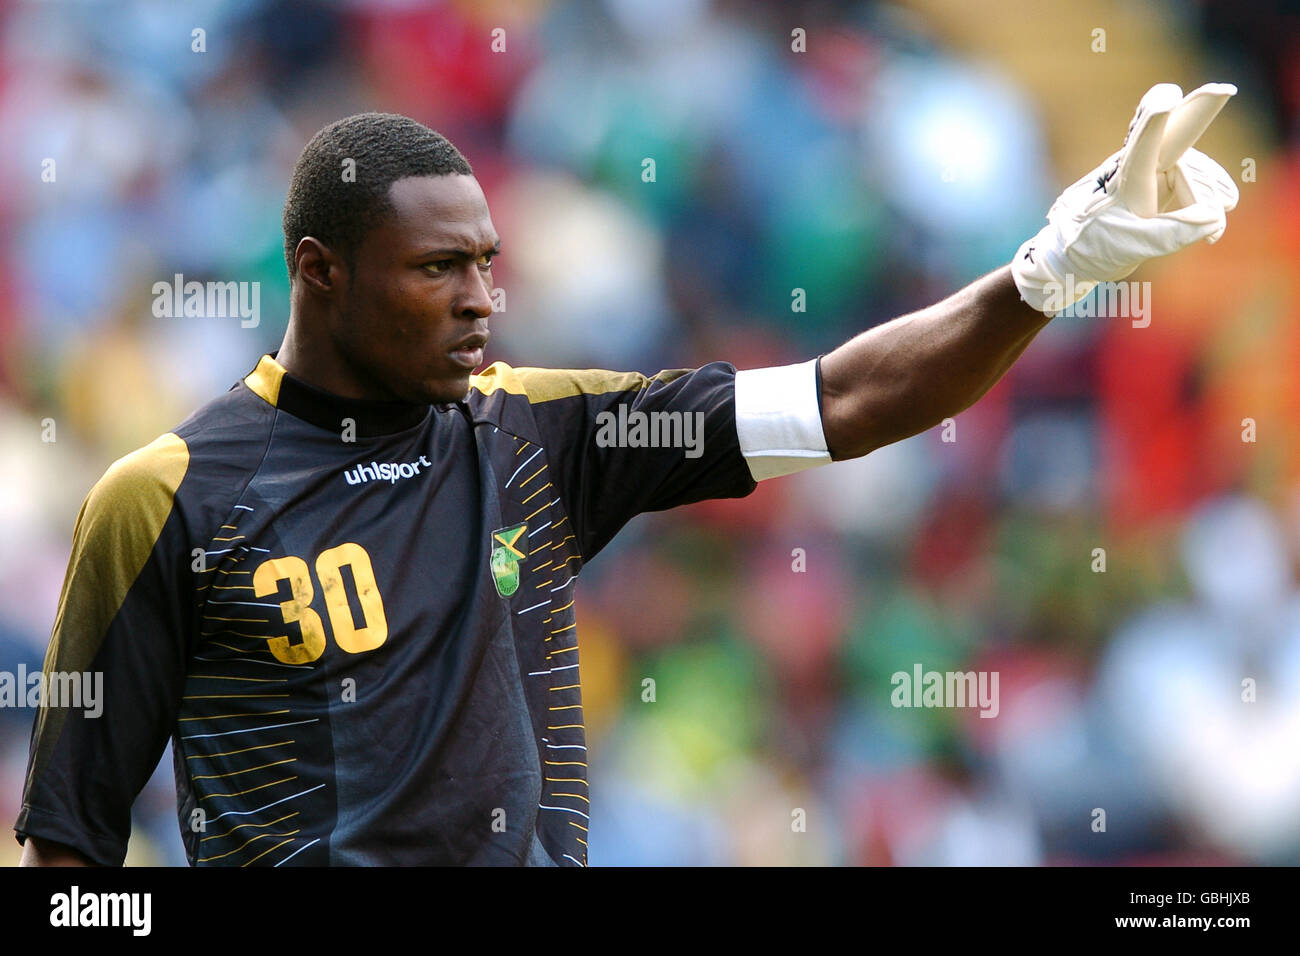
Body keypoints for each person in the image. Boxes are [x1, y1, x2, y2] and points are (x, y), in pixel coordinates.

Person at [16, 83, 1238, 866]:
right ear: (318, 270)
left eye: (488, 265)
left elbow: (843, 399)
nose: (482, 301)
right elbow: (69, 864)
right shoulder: (163, 497)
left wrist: (1045, 270)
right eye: (437, 269)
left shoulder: (540, 432)